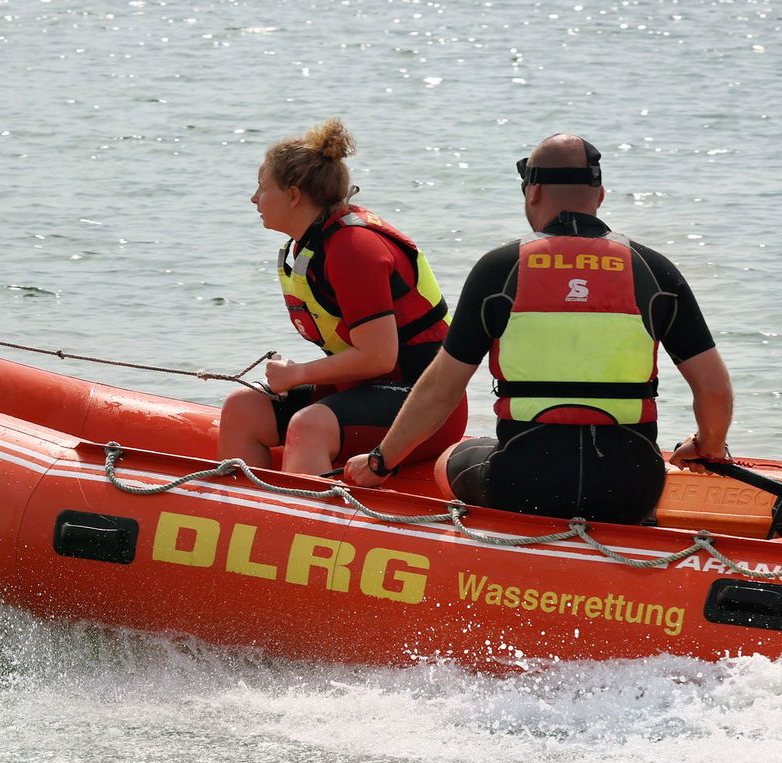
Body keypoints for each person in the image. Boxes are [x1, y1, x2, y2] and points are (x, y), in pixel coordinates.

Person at [344, 133, 733, 524]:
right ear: (600, 196)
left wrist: (379, 462)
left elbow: (441, 390)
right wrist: (709, 446)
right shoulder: (653, 270)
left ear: (533, 192)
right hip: (630, 491)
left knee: (450, 460)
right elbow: (714, 389)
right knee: (631, 466)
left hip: (526, 487)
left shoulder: (500, 269)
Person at [219, 119, 466, 476]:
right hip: (362, 390)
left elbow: (379, 356)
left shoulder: (354, 248)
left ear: (293, 195)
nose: (254, 198)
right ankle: (245, 507)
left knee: (308, 426)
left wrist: (297, 374)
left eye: (262, 187)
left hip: (425, 407)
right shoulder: (311, 244)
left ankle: (303, 510)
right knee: (243, 408)